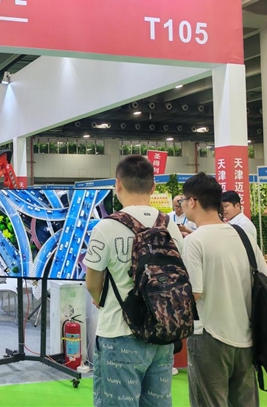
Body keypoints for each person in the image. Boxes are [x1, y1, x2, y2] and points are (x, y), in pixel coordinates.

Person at [84, 155, 184, 407]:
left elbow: (92, 283)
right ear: (153, 187)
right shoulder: (170, 225)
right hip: (162, 335)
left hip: (119, 334)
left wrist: (101, 300)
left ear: (117, 185)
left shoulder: (105, 227)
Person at [181, 173, 267, 407]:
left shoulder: (194, 241)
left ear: (193, 201)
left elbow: (194, 293)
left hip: (210, 336)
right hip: (247, 336)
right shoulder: (243, 236)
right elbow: (266, 282)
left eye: (182, 200)